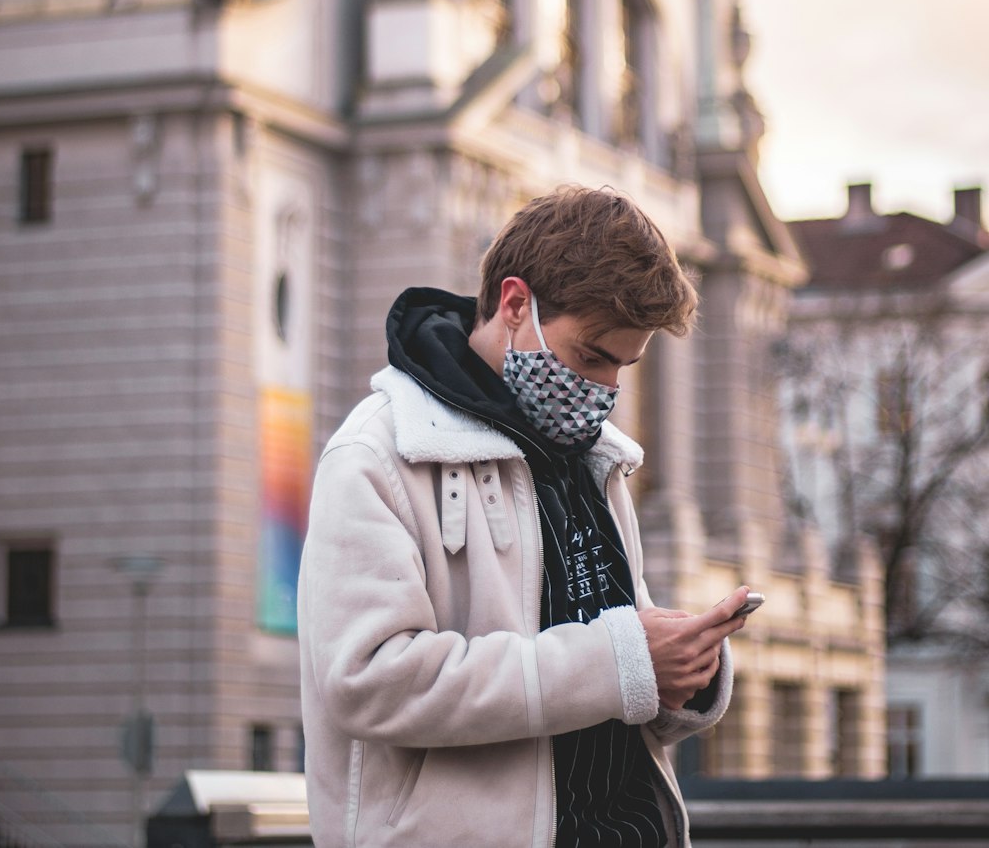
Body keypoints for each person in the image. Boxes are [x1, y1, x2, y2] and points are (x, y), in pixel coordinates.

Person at [298, 185, 751, 848]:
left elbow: (616, 675)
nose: (603, 390)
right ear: (515, 304)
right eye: (591, 355)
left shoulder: (595, 459)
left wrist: (683, 668)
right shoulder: (376, 454)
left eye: (624, 367)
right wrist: (621, 663)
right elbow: (370, 681)